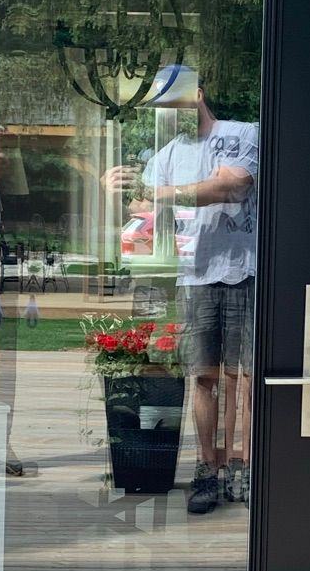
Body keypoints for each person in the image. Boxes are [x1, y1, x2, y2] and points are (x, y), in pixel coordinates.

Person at [108, 66, 258, 515]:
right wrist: (117, 191)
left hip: (244, 270)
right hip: (194, 275)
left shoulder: (241, 133)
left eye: (175, 102)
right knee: (205, 377)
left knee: (243, 377)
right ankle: (206, 469)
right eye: (162, 106)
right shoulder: (167, 153)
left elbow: (229, 186)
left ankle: (242, 467)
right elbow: (146, 208)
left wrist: (161, 192)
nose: (170, 113)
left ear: (198, 95)